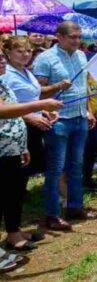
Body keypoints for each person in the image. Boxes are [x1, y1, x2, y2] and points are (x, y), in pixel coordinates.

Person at [32, 21, 97, 231]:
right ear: (59, 36)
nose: (77, 41)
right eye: (73, 37)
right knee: (55, 169)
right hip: (58, 120)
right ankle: (52, 214)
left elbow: (83, 86)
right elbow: (38, 93)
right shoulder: (45, 59)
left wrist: (88, 109)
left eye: (79, 37)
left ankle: (75, 206)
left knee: (76, 166)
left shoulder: (80, 56)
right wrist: (58, 86)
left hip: (79, 117)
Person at [0, 53, 62, 256]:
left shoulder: (2, 83)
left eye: (2, 57)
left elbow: (15, 112)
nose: (2, 61)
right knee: (6, 194)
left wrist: (22, 145)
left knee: (15, 193)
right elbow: (3, 111)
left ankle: (13, 233)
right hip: (2, 150)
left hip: (13, 148)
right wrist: (41, 105)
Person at [3, 37, 57, 193]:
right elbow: (5, 106)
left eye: (28, 51)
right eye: (19, 51)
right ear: (8, 52)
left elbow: (33, 96)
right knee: (17, 167)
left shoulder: (27, 71)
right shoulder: (5, 74)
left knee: (29, 163)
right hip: (14, 126)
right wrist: (28, 116)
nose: (25, 54)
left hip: (35, 124)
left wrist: (45, 112)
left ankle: (20, 195)